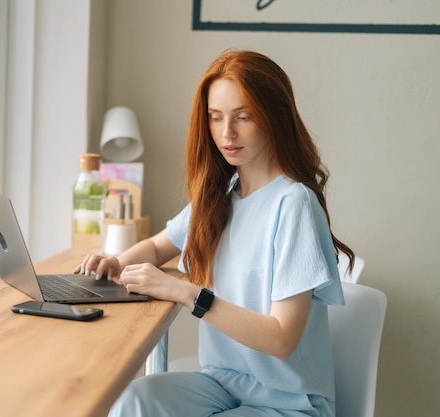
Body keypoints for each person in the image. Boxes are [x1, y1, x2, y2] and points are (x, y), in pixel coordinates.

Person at [74, 49, 355, 417]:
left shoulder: (294, 204)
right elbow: (160, 246)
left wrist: (186, 293)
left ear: (274, 117)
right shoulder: (223, 194)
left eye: (244, 117)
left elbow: (283, 338)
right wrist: (115, 263)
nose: (227, 133)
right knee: (134, 401)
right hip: (223, 384)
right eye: (215, 118)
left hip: (288, 403)